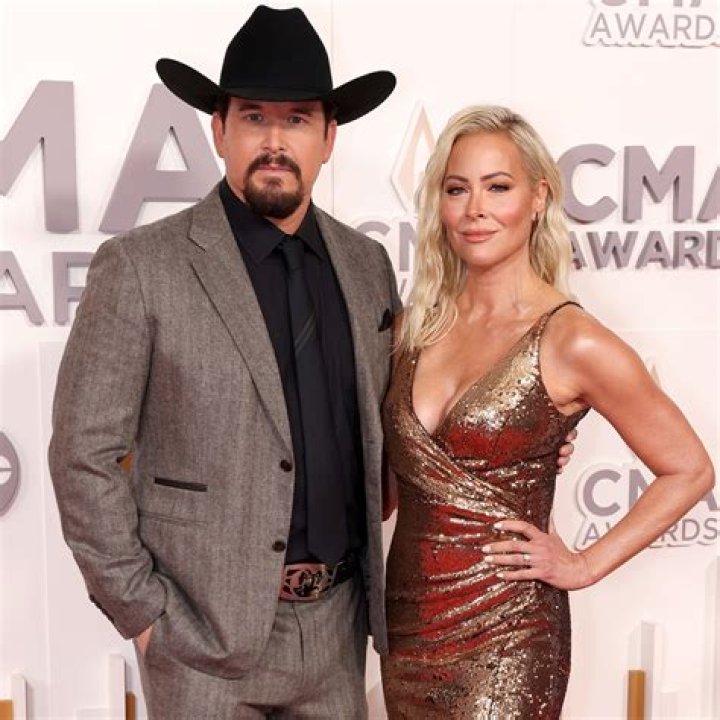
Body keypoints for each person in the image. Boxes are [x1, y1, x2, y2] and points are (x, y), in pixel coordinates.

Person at [48, 6, 401, 719]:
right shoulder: (141, 267)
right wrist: (145, 616)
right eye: (253, 118)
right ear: (219, 131)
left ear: (329, 138)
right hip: (199, 642)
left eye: (297, 120)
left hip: (338, 631)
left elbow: (389, 424)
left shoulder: (367, 267)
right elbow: (83, 455)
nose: (274, 142)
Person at [380, 105, 714, 719]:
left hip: (509, 636)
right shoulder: (413, 330)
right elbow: (389, 490)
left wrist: (583, 564)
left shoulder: (571, 340)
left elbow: (690, 469)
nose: (475, 209)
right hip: (407, 629)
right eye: (457, 189)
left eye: (497, 187)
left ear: (537, 199)